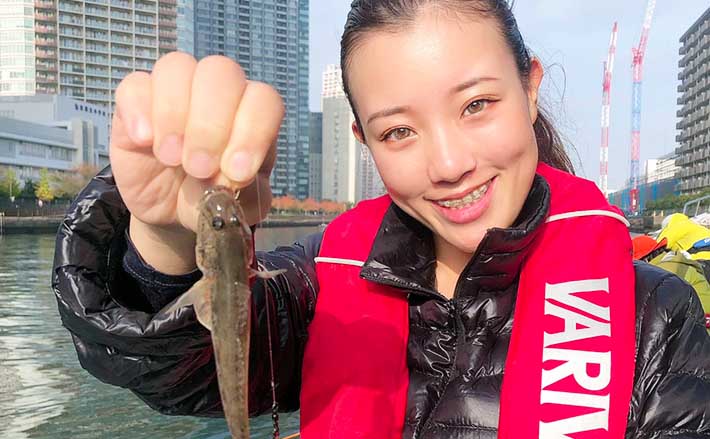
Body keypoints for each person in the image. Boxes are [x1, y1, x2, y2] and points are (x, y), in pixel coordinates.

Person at [52, 1, 710, 438]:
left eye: (477, 104)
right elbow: (170, 369)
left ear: (530, 87)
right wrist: (164, 234)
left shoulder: (658, 318)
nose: (450, 163)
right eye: (399, 131)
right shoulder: (320, 285)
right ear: (363, 140)